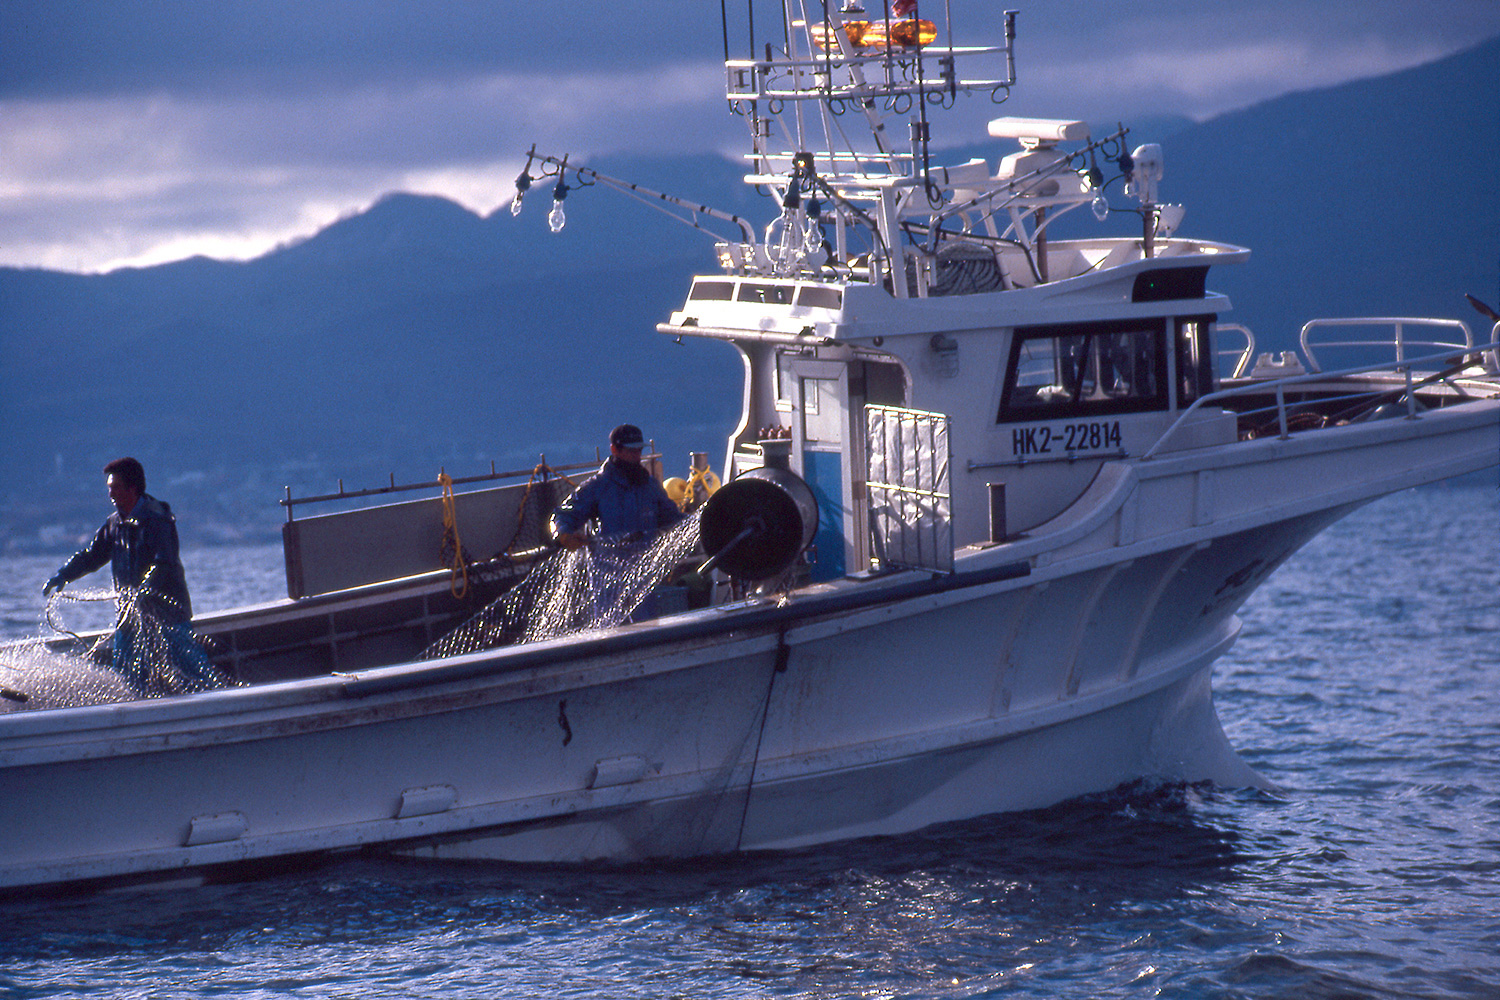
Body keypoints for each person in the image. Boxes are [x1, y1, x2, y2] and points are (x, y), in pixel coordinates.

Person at [44, 457, 219, 694]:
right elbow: (91, 556)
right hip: (129, 616)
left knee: (191, 669)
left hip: (168, 615)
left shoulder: (157, 519)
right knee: (126, 676)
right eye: (109, 488)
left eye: (115, 487)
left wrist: (146, 588)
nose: (110, 494)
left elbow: (164, 561)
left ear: (132, 488)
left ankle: (213, 702)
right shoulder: (113, 524)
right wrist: (63, 575)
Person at [550, 424, 685, 549]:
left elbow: (674, 519)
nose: (636, 455)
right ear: (614, 450)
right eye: (630, 450)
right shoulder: (597, 487)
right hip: (606, 572)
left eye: (639, 450)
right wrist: (563, 535)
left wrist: (699, 520)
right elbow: (562, 515)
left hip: (648, 570)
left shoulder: (650, 487)